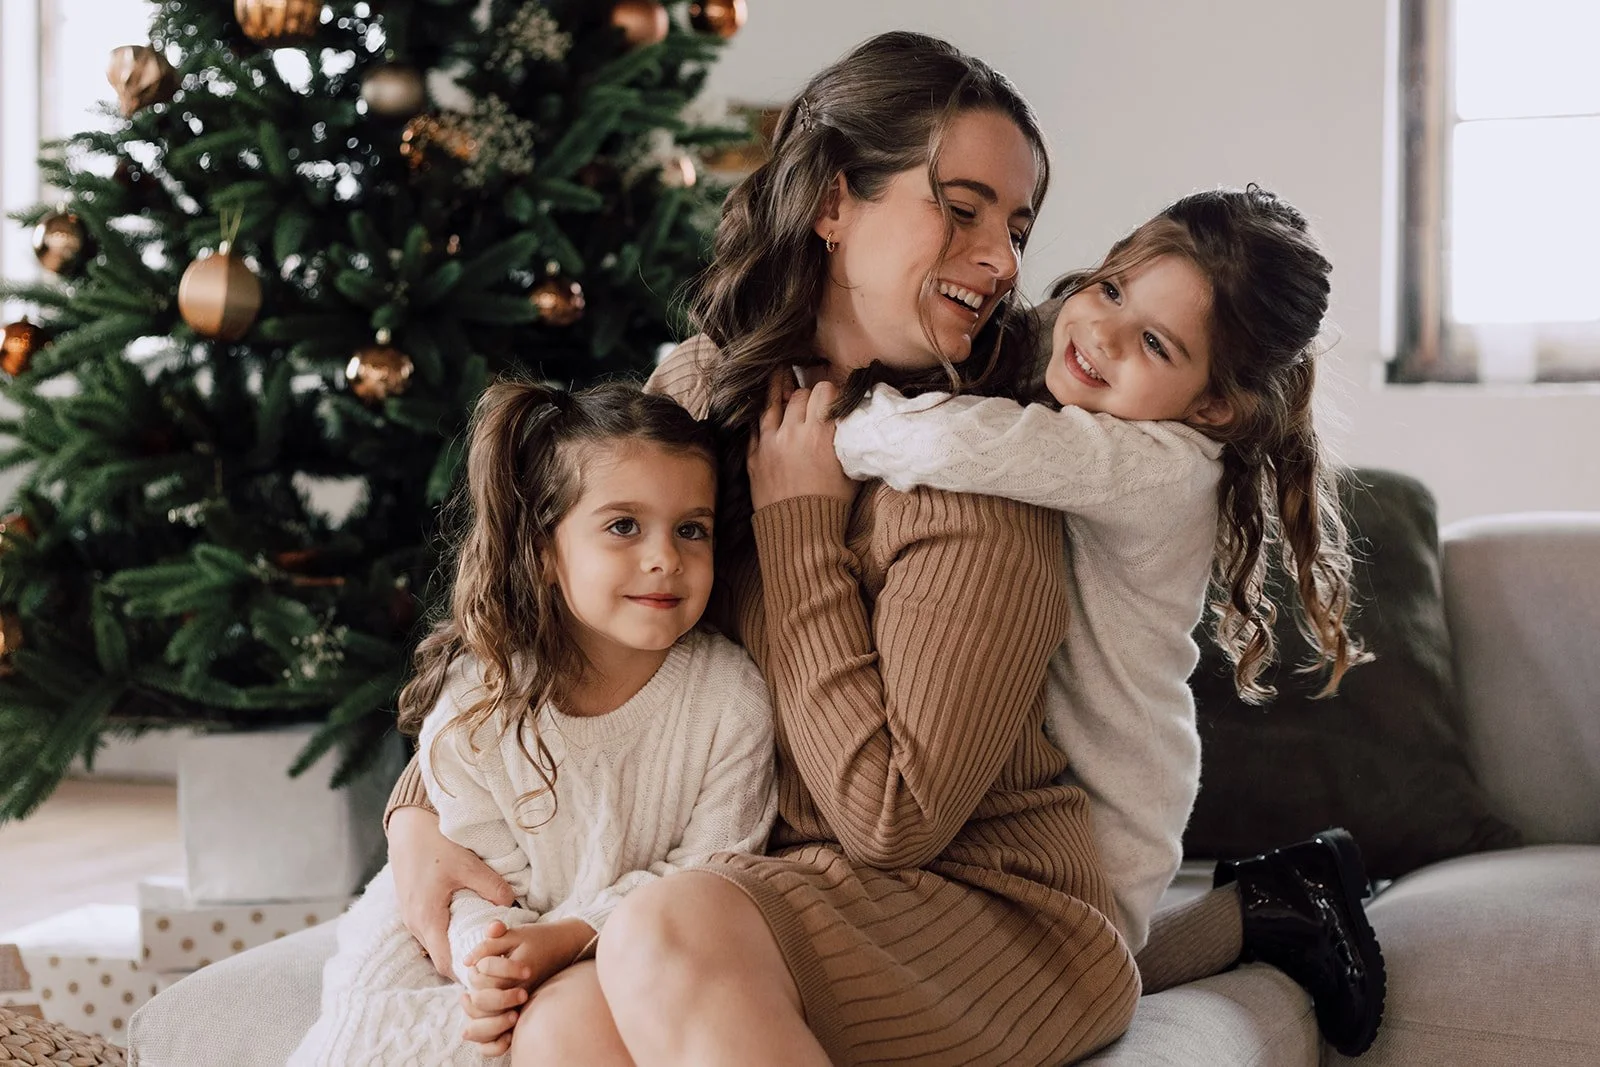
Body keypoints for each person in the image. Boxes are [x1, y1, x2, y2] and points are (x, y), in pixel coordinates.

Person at [389, 31, 1143, 1067]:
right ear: (835, 204)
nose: (1004, 261)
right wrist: (415, 815)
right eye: (960, 208)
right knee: (557, 1021)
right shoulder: (702, 388)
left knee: (661, 925)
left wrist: (797, 527)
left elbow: (894, 819)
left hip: (988, 912)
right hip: (754, 889)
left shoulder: (975, 472)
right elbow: (554, 601)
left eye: (1016, 226)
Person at [830, 184, 1385, 1055]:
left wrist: (811, 430)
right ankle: (1277, 894)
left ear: (1214, 406)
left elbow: (948, 441)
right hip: (1044, 772)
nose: (1103, 334)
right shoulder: (1090, 397)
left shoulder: (1158, 463)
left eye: (1156, 343)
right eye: (1114, 290)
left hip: (1110, 795)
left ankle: (1274, 905)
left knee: (1077, 967)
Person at [289, 381, 776, 1066]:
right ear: (546, 552)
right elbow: (471, 879)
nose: (665, 556)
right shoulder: (476, 705)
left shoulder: (729, 699)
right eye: (623, 526)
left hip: (626, 942)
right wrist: (487, 958)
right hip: (470, 934)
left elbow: (716, 871)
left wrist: (568, 935)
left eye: (690, 528)